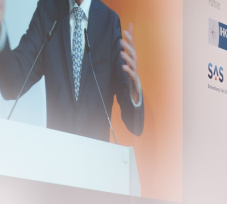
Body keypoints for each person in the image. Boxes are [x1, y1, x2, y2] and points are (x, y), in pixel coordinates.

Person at [0, 0, 144, 142]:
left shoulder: (109, 22)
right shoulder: (47, 11)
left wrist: (134, 94)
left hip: (95, 154)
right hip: (57, 151)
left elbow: (135, 125)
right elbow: (12, 84)